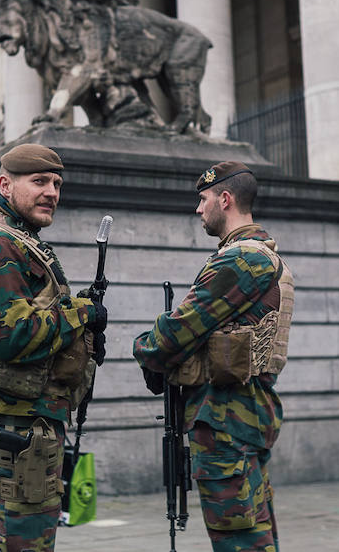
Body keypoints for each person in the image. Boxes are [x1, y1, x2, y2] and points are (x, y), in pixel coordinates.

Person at [0, 143, 106, 551]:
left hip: (17, 424)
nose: (51, 191)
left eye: (56, 183)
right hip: (13, 428)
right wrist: (82, 314)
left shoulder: (15, 237)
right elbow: (13, 337)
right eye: (39, 182)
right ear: (5, 184)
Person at [133, 161, 294, 552]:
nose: (198, 209)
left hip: (224, 418)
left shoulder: (241, 260)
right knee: (253, 532)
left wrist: (142, 346)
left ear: (225, 199)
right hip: (241, 414)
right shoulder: (259, 255)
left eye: (203, 200)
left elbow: (171, 335)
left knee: (239, 539)